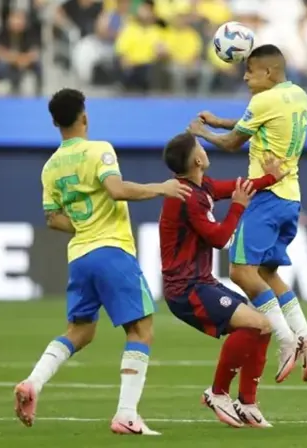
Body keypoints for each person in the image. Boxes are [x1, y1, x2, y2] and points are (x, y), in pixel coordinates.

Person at [13, 88, 191, 436]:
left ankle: (33, 382)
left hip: (80, 256)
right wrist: (162, 188)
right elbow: (117, 189)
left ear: (54, 122)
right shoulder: (99, 150)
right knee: (141, 330)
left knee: (80, 331)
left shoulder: (50, 167)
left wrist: (84, 223)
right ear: (84, 117)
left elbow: (53, 218)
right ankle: (126, 414)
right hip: (112, 249)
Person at [187, 44, 307, 384]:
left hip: (265, 197)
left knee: (239, 271)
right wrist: (222, 121)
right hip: (290, 196)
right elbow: (257, 123)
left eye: (249, 70)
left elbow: (235, 143)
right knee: (266, 273)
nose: (245, 75)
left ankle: (286, 339)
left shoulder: (262, 101)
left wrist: (203, 133)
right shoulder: (297, 94)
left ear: (267, 72)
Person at [160, 132, 288, 428]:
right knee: (256, 323)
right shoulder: (184, 198)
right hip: (186, 289)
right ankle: (217, 393)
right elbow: (218, 238)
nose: (205, 151)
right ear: (196, 159)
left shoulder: (200, 186)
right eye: (200, 147)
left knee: (263, 326)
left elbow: (236, 187)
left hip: (201, 282)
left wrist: (270, 178)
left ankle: (247, 402)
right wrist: (239, 207)